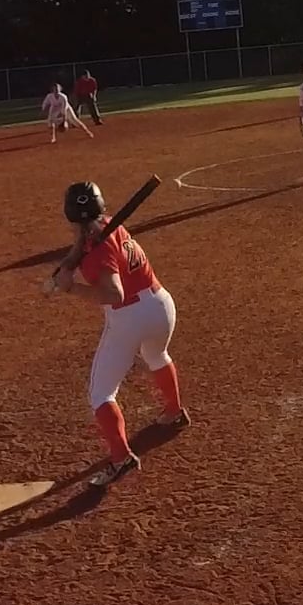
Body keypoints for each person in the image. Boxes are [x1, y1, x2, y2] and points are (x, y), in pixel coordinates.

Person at [44, 181, 189, 488]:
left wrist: (72, 288)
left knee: (100, 394)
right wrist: (67, 266)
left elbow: (114, 293)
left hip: (130, 316)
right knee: (156, 355)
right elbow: (82, 244)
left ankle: (121, 458)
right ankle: (174, 411)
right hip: (160, 306)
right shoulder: (107, 226)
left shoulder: (98, 248)